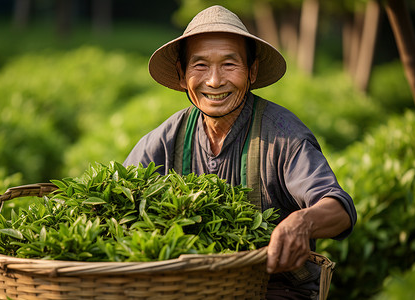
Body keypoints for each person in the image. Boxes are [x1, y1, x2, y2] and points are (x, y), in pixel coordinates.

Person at [123, 5, 356, 299]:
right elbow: (120, 197)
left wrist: (302, 222)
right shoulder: (166, 139)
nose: (215, 81)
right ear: (182, 76)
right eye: (200, 66)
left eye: (229, 65)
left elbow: (339, 208)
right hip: (187, 288)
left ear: (252, 72)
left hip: (274, 288)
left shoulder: (283, 135)